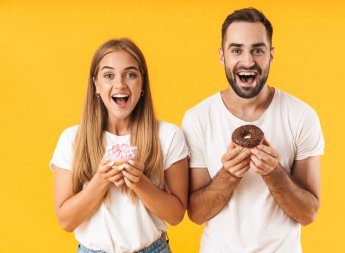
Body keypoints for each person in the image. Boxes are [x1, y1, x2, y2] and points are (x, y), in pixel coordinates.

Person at [182, 7, 324, 253]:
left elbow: (308, 213)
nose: (247, 61)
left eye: (257, 50)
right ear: (221, 56)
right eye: (236, 50)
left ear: (271, 55)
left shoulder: (302, 116)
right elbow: (196, 213)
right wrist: (229, 175)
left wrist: (274, 174)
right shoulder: (197, 119)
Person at [50, 38, 188, 253]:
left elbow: (176, 215)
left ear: (142, 83)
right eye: (108, 75)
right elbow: (66, 222)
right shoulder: (71, 140)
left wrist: (139, 182)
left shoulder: (168, 135)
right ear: (96, 84)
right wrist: (102, 180)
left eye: (130, 75)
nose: (120, 84)